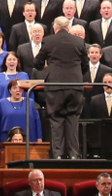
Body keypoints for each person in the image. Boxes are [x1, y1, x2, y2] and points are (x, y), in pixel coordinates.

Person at [31, 20, 89, 157]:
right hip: (75, 86)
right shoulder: (79, 42)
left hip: (55, 86)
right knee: (73, 119)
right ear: (68, 28)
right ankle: (74, 155)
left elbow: (37, 63)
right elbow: (85, 67)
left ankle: (57, 155)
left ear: (54, 28)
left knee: (56, 120)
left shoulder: (48, 41)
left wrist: (46, 67)